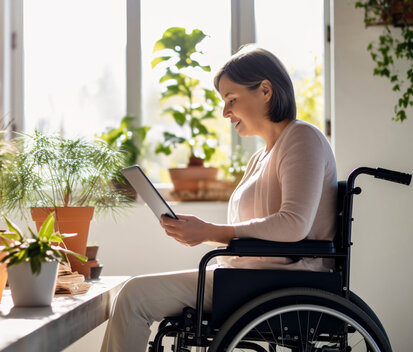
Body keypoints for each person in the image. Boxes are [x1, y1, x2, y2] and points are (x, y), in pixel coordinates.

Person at [100, 46, 337, 352]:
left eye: (231, 99)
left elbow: (293, 226)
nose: (225, 112)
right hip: (247, 277)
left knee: (134, 296)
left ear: (265, 90)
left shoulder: (303, 138)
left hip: (279, 281)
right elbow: (253, 231)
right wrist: (201, 233)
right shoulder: (262, 156)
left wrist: (209, 232)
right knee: (131, 293)